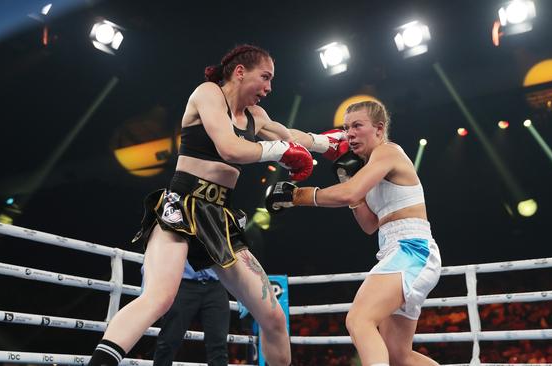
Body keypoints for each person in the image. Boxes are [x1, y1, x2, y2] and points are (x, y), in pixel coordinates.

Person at [86, 44, 337, 366]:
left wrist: (334, 142)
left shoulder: (256, 117)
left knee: (273, 318)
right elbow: (230, 148)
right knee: (158, 298)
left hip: (220, 217)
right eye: (265, 77)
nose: (269, 88)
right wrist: (278, 151)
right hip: (183, 205)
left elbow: (292, 137)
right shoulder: (208, 94)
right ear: (240, 71)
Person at [266, 100, 442, 366]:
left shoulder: (388, 152)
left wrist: (296, 195)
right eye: (346, 127)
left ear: (379, 129)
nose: (350, 133)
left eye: (358, 126)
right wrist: (260, 127)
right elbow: (370, 224)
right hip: (397, 250)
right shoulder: (369, 166)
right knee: (398, 356)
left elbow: (349, 193)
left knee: (359, 319)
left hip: (412, 249)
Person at [152, 261, 229, 366]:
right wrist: (148, 281)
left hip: (216, 284)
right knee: (168, 340)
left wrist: (240, 289)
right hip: (183, 283)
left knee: (219, 345)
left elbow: (233, 252)